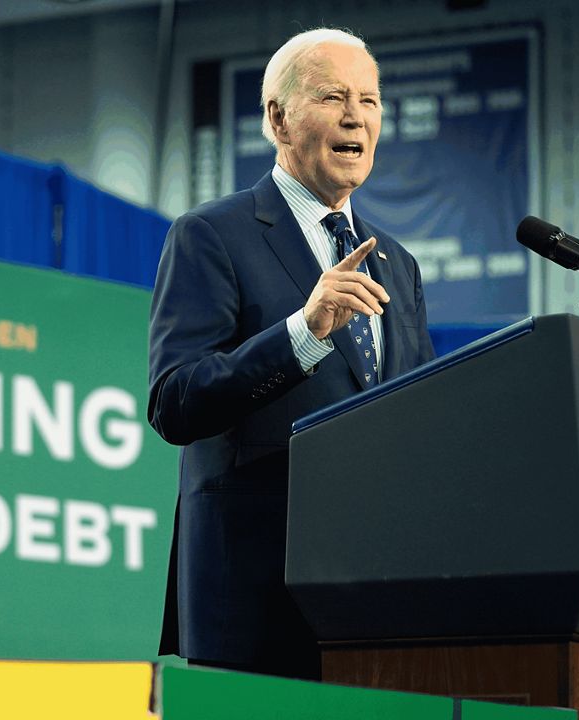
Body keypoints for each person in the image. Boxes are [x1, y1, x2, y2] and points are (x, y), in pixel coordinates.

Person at [147, 27, 436, 680]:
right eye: (334, 96)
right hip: (253, 607)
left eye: (370, 99)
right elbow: (176, 402)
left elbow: (418, 415)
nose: (356, 116)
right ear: (278, 117)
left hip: (375, 608)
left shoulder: (398, 265)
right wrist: (302, 332)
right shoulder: (211, 236)